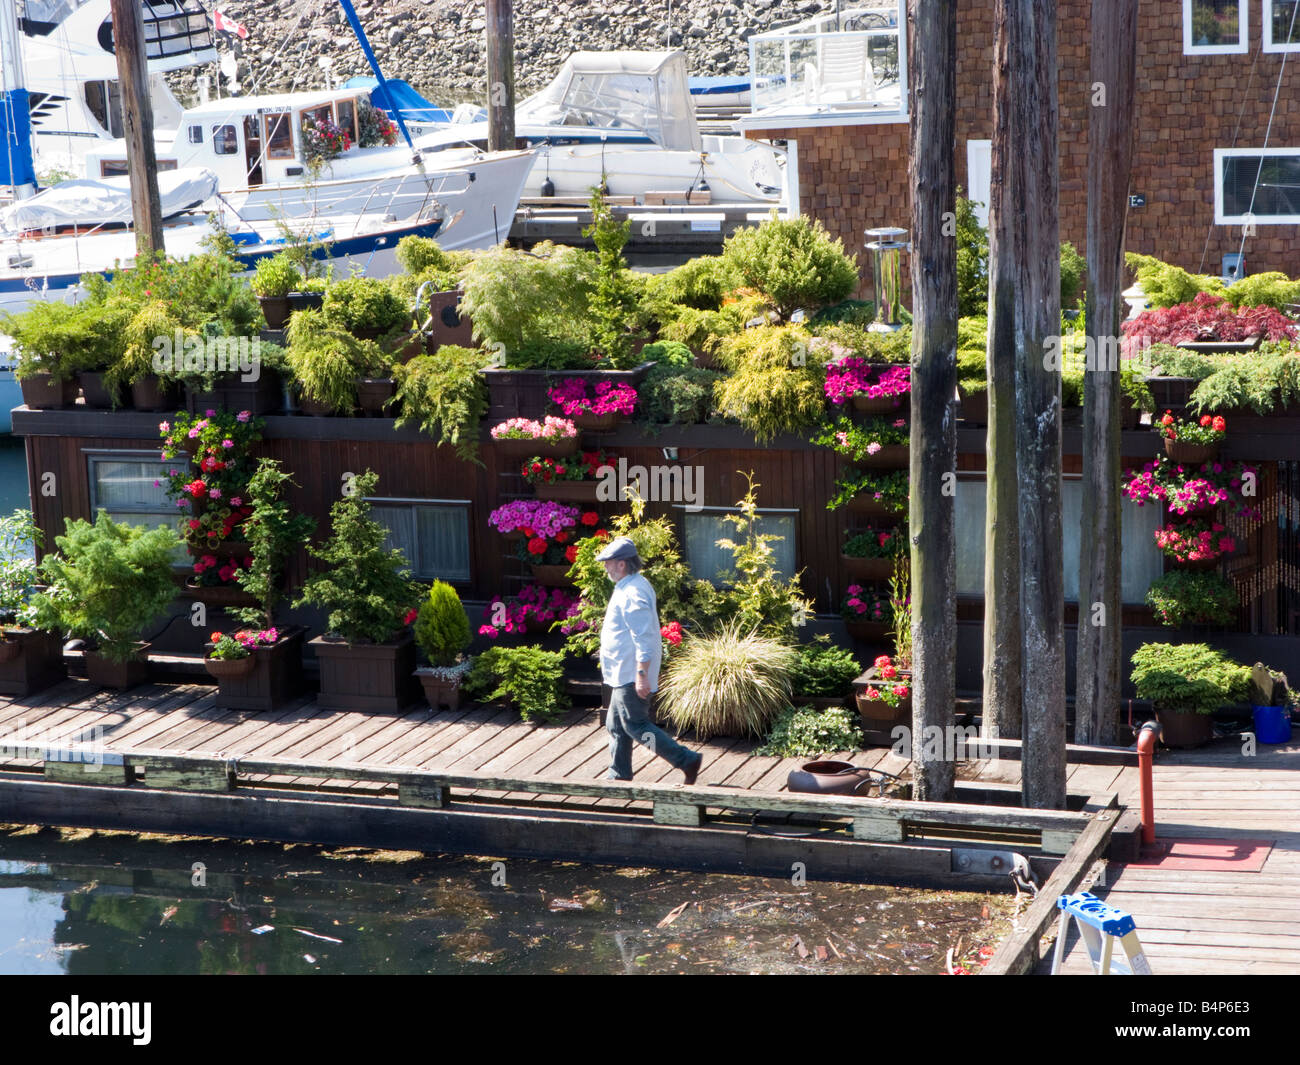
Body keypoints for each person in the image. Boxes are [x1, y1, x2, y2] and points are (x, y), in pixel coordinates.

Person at [596, 536, 702, 784]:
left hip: (631, 673)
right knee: (616, 724)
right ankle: (619, 773)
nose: (606, 567)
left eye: (608, 562)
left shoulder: (633, 593)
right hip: (624, 672)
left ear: (622, 564)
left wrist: (641, 675)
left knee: (636, 725)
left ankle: (686, 759)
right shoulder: (629, 585)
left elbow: (643, 637)